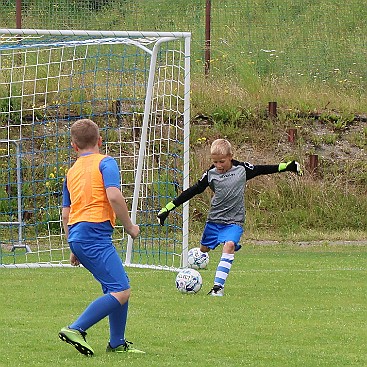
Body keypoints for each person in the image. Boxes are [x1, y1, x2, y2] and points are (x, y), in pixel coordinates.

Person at [157, 138, 302, 296]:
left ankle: (218, 288)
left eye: (222, 162)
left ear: (231, 156)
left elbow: (262, 169)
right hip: (214, 221)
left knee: (230, 245)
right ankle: (198, 256)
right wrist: (168, 208)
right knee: (204, 249)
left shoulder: (241, 169)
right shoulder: (210, 174)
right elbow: (192, 191)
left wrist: (287, 166)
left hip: (234, 221)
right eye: (215, 162)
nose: (219, 166)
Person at [59, 119, 144, 356]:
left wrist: (72, 246)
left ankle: (117, 342)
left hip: (78, 234)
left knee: (117, 285)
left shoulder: (71, 171)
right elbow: (114, 196)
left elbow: (66, 212)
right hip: (94, 233)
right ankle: (76, 328)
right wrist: (129, 227)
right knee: (121, 291)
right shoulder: (105, 162)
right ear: (100, 141)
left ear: (74, 146)